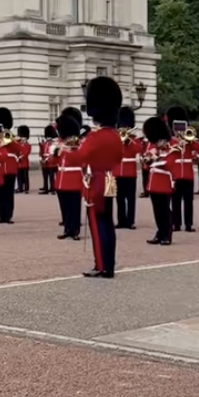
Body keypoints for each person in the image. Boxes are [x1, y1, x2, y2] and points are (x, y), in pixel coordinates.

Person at [72, 77, 123, 279]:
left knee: (97, 223)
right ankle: (109, 264)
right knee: (108, 222)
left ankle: (101, 266)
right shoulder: (115, 135)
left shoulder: (96, 137)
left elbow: (80, 157)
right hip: (110, 179)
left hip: (97, 181)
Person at [143, 116, 177, 245]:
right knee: (157, 210)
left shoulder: (173, 145)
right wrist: (148, 158)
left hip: (164, 181)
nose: (156, 143)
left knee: (164, 210)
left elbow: (169, 164)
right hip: (153, 182)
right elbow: (146, 164)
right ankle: (160, 232)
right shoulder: (152, 145)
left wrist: (155, 157)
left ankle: (167, 235)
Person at [167, 104, 196, 233]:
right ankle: (176, 223)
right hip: (176, 174)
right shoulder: (171, 141)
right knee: (176, 200)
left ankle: (189, 224)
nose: (179, 131)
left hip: (188, 174)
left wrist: (191, 141)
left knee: (189, 200)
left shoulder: (190, 140)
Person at [54, 112, 83, 240]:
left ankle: (75, 230)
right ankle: (67, 229)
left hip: (74, 178)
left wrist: (69, 150)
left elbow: (81, 159)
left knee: (74, 207)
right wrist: (55, 153)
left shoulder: (77, 144)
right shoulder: (60, 142)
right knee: (65, 207)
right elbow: (54, 161)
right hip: (61, 178)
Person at [115, 106, 142, 230]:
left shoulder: (134, 140)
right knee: (119, 198)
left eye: (125, 127)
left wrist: (128, 141)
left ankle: (130, 221)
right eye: (122, 126)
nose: (123, 129)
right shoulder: (115, 138)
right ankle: (121, 220)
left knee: (130, 198)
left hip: (130, 172)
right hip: (117, 172)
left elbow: (138, 149)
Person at [0, 108, 18, 223]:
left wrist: (9, 140)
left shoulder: (11, 137)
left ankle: (8, 216)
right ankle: (1, 215)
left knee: (9, 193)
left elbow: (18, 149)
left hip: (10, 168)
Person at [39, 124, 58, 194]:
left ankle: (52, 189)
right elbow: (42, 152)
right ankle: (46, 189)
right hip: (45, 163)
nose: (48, 139)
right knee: (45, 177)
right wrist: (41, 158)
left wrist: (46, 159)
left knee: (51, 177)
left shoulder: (53, 144)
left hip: (51, 163)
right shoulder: (45, 144)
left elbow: (52, 154)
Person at [15, 126, 31, 194]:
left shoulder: (28, 145)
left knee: (25, 177)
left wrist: (21, 157)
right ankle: (20, 187)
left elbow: (27, 153)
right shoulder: (18, 144)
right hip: (19, 163)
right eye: (21, 137)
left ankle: (26, 188)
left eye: (23, 137)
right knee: (19, 177)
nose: (22, 138)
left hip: (24, 163)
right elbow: (16, 150)